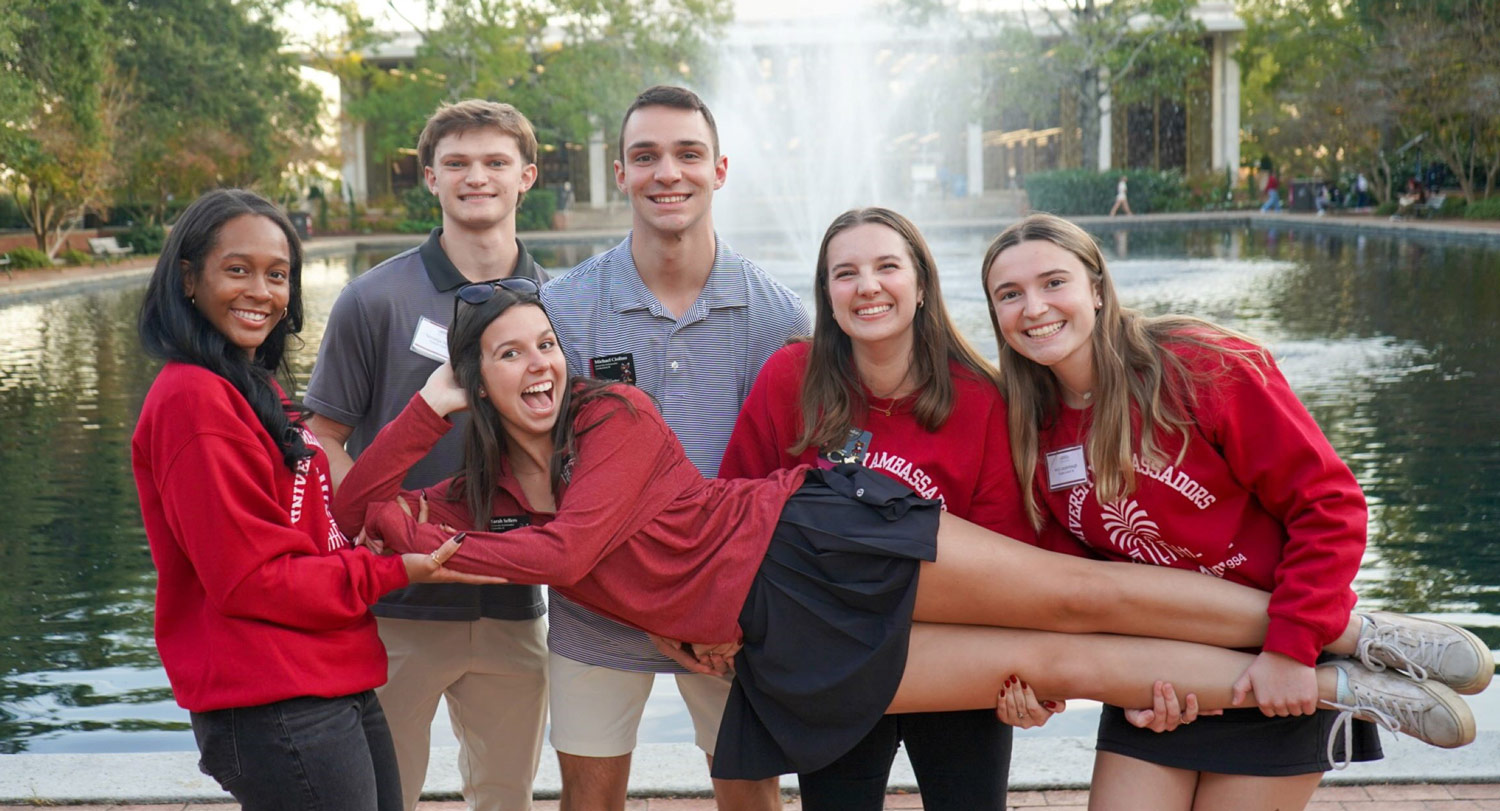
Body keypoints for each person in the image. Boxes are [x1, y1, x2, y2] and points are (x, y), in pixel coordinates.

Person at [332, 279, 1487, 787]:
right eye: (508, 356)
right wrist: (422, 417)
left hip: (816, 536)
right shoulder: (480, 492)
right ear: (478, 384)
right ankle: (1348, 693)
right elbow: (351, 510)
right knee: (1067, 661)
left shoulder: (613, 412)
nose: (539, 366)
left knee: (1076, 594)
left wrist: (424, 550)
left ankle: (1354, 629)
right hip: (776, 636)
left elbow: (569, 558)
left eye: (545, 345)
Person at [979, 213, 1494, 810]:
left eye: (1053, 283)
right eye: (1009, 294)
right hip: (1164, 674)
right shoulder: (1025, 424)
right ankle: (1362, 665)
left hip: (1287, 661)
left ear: (1096, 287)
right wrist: (1088, 681)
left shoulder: (1199, 365)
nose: (1034, 307)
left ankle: (1360, 663)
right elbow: (1070, 581)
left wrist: (1291, 649)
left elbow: (1329, 505)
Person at [131, 189, 495, 808]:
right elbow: (252, 581)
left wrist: (431, 408)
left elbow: (333, 511)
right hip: (273, 696)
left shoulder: (247, 386)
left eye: (277, 275)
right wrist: (388, 572)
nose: (261, 292)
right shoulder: (194, 402)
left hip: (328, 674)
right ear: (189, 278)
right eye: (237, 269)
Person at [718, 207, 1086, 810]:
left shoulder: (982, 397)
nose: (867, 286)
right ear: (827, 294)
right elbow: (735, 515)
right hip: (832, 654)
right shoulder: (790, 377)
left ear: (921, 286)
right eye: (846, 273)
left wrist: (1031, 676)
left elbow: (1013, 560)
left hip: (954, 650)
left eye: (887, 266)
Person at [539, 85, 807, 811]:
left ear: (719, 170)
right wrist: (656, 610)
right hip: (598, 607)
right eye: (646, 156)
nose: (668, 173)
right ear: (620, 173)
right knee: (587, 801)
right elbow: (544, 480)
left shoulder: (776, 314)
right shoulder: (564, 308)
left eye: (688, 154)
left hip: (726, 619)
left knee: (750, 795)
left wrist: (725, 615)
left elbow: (789, 485)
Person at [304, 100, 550, 811]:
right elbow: (322, 436)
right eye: (459, 164)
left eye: (496, 162)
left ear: (526, 176)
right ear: (431, 178)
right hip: (396, 606)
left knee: (507, 798)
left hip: (514, 607)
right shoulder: (374, 298)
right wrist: (383, 528)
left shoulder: (560, 301)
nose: (478, 178)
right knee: (385, 796)